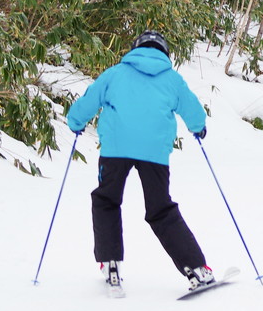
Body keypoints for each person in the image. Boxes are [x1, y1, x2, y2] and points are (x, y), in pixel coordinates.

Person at [66, 30, 215, 294]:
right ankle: (197, 269)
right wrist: (198, 128)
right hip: (154, 153)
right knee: (160, 209)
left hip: (116, 149)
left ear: (135, 49)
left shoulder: (115, 74)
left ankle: (110, 263)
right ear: (164, 52)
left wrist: (75, 123)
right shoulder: (172, 79)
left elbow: (90, 99)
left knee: (106, 200)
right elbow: (192, 109)